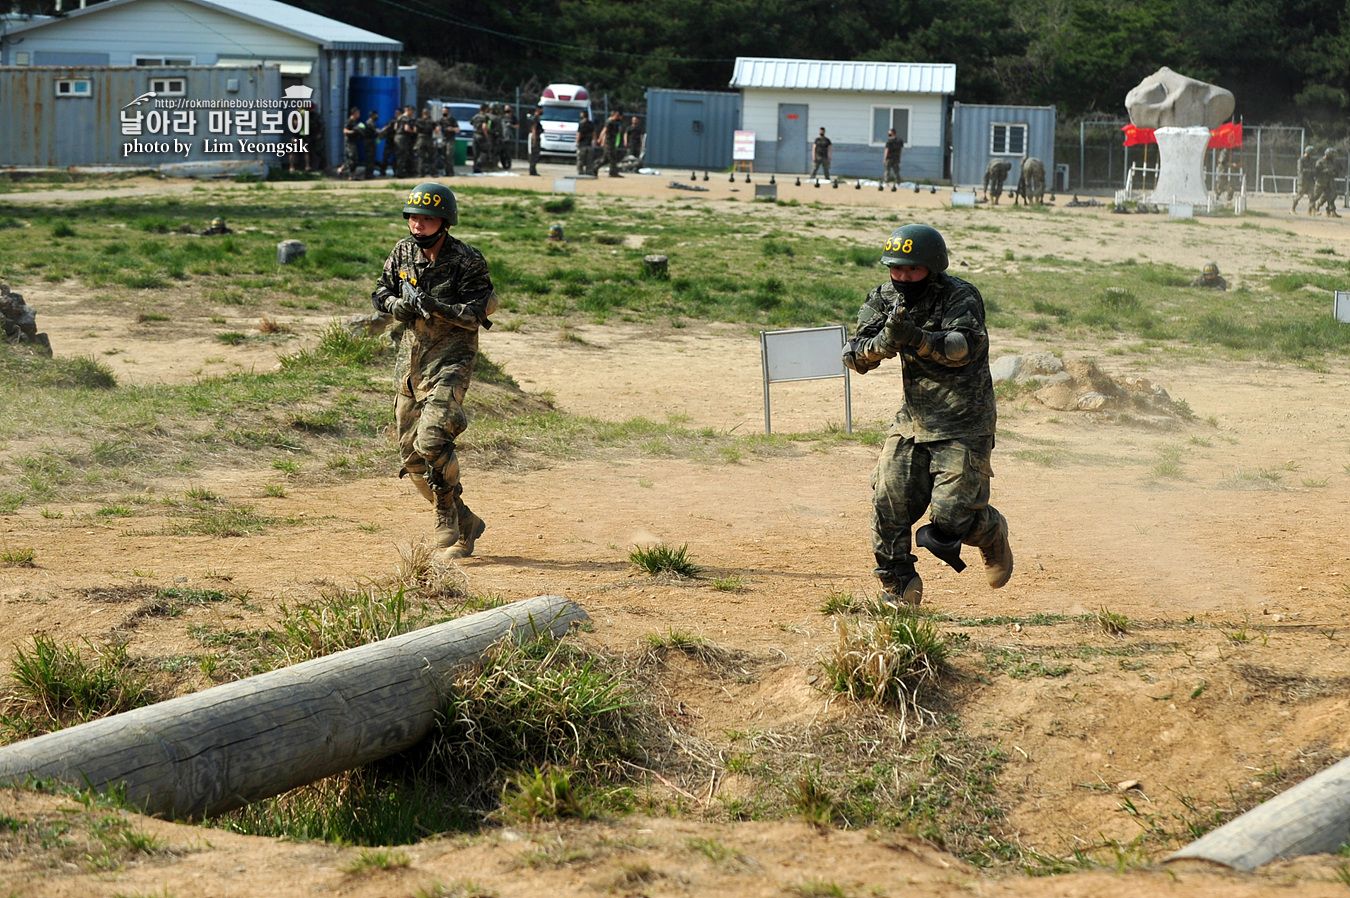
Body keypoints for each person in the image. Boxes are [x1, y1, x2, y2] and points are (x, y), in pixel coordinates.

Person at [841, 224, 1013, 606]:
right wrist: (882, 344)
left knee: (951, 519)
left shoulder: (960, 295)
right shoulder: (884, 296)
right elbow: (853, 354)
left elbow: (961, 347)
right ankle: (898, 584)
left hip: (964, 422)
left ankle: (990, 532)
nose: (902, 277)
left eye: (912, 269)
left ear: (932, 267)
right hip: (913, 421)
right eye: (895, 268)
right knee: (887, 497)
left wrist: (918, 338)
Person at [370, 183, 498, 561]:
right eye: (413, 218)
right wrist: (397, 305)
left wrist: (434, 305)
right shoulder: (402, 251)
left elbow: (479, 312)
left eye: (426, 219)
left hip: (452, 360)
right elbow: (380, 292)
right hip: (411, 365)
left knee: (431, 442)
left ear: (444, 221)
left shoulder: (467, 260)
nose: (417, 225)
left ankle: (444, 510)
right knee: (411, 458)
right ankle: (465, 520)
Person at [1312, 148, 1341, 218]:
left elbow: (1335, 169)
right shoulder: (1320, 161)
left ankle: (1331, 211)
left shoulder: (1332, 162)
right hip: (1321, 182)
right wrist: (1327, 171)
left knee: (1332, 195)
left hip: (1329, 182)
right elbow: (1317, 171)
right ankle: (1313, 209)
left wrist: (1335, 171)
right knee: (1315, 196)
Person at [1291, 146, 1317, 212]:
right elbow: (1300, 170)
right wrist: (1310, 170)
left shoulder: (1311, 160)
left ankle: (1312, 210)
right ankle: (1293, 208)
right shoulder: (1301, 160)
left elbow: (1313, 169)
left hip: (1310, 180)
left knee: (1312, 196)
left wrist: (1313, 171)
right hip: (1303, 180)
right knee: (1299, 196)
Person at [395, 105, 417, 178]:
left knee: (399, 155)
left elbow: (395, 127)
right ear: (409, 110)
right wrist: (413, 131)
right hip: (403, 138)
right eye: (412, 112)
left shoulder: (399, 117)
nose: (413, 113)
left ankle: (397, 171)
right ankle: (400, 173)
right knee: (403, 155)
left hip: (397, 137)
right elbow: (406, 129)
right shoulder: (406, 118)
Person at [601, 110, 625, 177]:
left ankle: (613, 172)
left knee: (606, 159)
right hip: (609, 142)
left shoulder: (616, 123)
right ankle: (612, 172)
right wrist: (601, 139)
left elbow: (619, 131)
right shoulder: (609, 122)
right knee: (611, 158)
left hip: (613, 142)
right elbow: (604, 131)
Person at [341, 106, 363, 180]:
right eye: (358, 113)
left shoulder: (355, 122)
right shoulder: (349, 121)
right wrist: (353, 132)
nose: (359, 114)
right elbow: (345, 131)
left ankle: (352, 176)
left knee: (355, 159)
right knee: (352, 157)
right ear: (354, 113)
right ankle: (342, 168)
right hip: (349, 142)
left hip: (354, 142)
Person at [415, 107, 437, 178]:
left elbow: (415, 130)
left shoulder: (418, 121)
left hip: (420, 139)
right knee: (431, 157)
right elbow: (436, 131)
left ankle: (421, 173)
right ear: (429, 114)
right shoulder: (432, 122)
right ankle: (433, 173)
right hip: (429, 139)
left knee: (421, 157)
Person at [437, 109, 459, 177]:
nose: (444, 112)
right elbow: (437, 127)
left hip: (450, 140)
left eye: (445, 111)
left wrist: (452, 129)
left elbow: (458, 129)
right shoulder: (441, 120)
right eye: (443, 111)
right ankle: (445, 171)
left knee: (449, 155)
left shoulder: (453, 120)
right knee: (443, 156)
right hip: (443, 139)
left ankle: (450, 172)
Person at [470, 103, 490, 173]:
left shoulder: (475, 116)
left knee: (476, 153)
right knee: (485, 152)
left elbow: (472, 123)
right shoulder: (485, 117)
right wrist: (486, 135)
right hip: (481, 135)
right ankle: (478, 164)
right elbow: (484, 127)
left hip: (475, 135)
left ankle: (475, 168)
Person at [575, 110, 596, 175]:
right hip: (589, 143)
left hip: (582, 144)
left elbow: (579, 133)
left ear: (583, 115)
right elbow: (593, 133)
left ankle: (580, 171)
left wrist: (577, 141)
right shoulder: (591, 123)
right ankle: (589, 171)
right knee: (589, 159)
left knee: (580, 159)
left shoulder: (581, 123)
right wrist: (595, 140)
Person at [526, 105, 544, 176]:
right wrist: (535, 139)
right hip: (534, 137)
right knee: (533, 153)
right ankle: (532, 170)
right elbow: (534, 129)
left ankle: (533, 169)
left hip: (536, 136)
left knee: (536, 154)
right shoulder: (535, 118)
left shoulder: (537, 118)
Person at [363, 110, 380, 179]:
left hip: (369, 141)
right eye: (376, 115)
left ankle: (370, 173)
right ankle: (368, 174)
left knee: (371, 158)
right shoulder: (370, 123)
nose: (377, 117)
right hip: (369, 142)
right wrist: (387, 127)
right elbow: (378, 131)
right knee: (370, 158)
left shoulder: (369, 122)